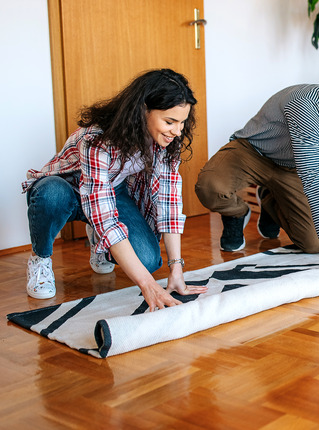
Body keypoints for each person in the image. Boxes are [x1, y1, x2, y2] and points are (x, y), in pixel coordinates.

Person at [195, 59, 319, 283]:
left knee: (313, 243)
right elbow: (312, 175)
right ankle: (236, 213)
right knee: (209, 187)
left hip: (291, 169)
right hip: (253, 151)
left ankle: (270, 201)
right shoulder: (307, 104)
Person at [22, 68, 207, 310]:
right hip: (67, 186)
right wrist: (148, 286)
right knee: (51, 195)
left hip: (111, 191)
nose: (177, 131)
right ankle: (41, 257)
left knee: (149, 261)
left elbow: (169, 201)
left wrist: (176, 268)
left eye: (182, 122)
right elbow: (104, 213)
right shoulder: (96, 139)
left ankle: (97, 236)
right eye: (170, 122)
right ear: (143, 111)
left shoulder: (165, 141)